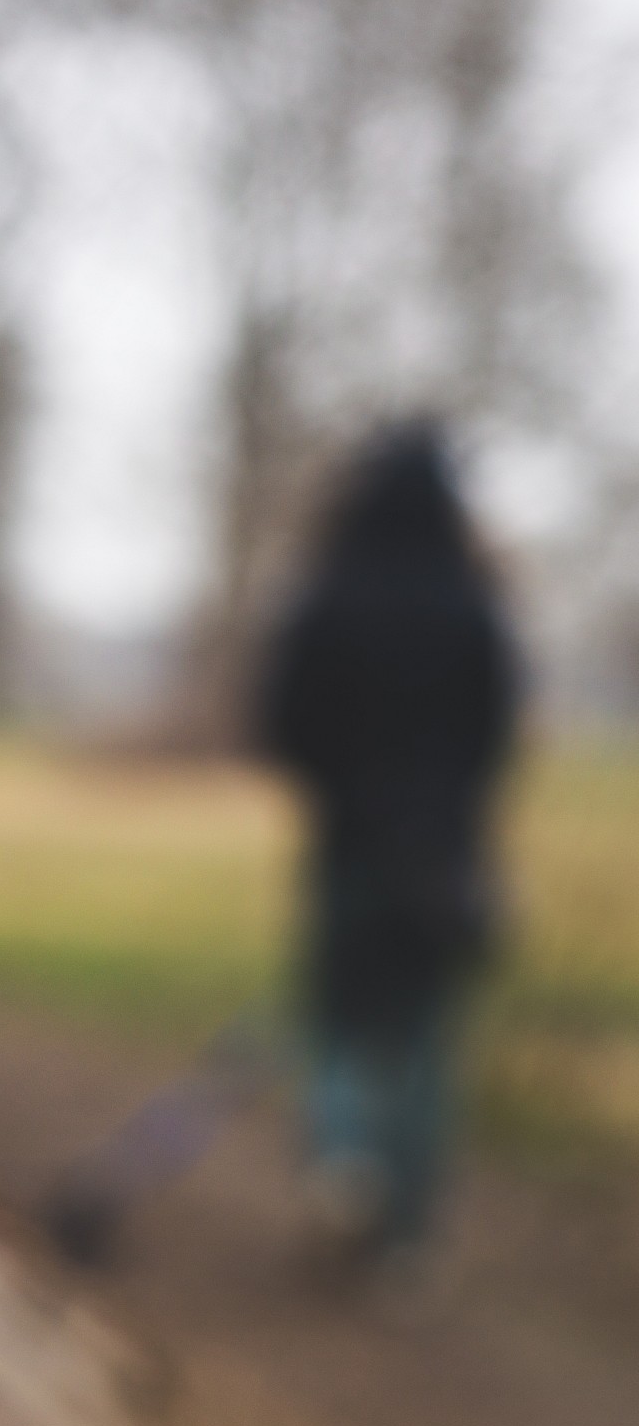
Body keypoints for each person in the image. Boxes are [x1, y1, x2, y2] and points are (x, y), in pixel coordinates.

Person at [258, 419, 518, 1264]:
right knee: (422, 1041)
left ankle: (344, 1160)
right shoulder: (472, 608)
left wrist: (343, 788)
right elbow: (496, 736)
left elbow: (283, 725)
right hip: (443, 856)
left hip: (349, 847)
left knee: (337, 1021)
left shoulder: (326, 599)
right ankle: (405, 1237)